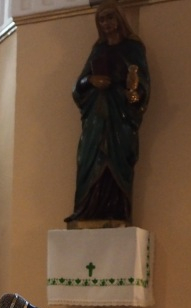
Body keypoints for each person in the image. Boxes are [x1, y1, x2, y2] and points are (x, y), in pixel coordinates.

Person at [64, 0, 149, 225]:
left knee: (117, 160)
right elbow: (78, 86)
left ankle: (117, 212)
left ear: (119, 19)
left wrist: (134, 94)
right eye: (101, 19)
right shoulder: (98, 49)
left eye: (110, 17)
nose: (106, 23)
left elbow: (142, 84)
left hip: (119, 116)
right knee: (88, 158)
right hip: (95, 116)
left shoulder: (133, 48)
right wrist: (91, 80)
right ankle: (86, 210)